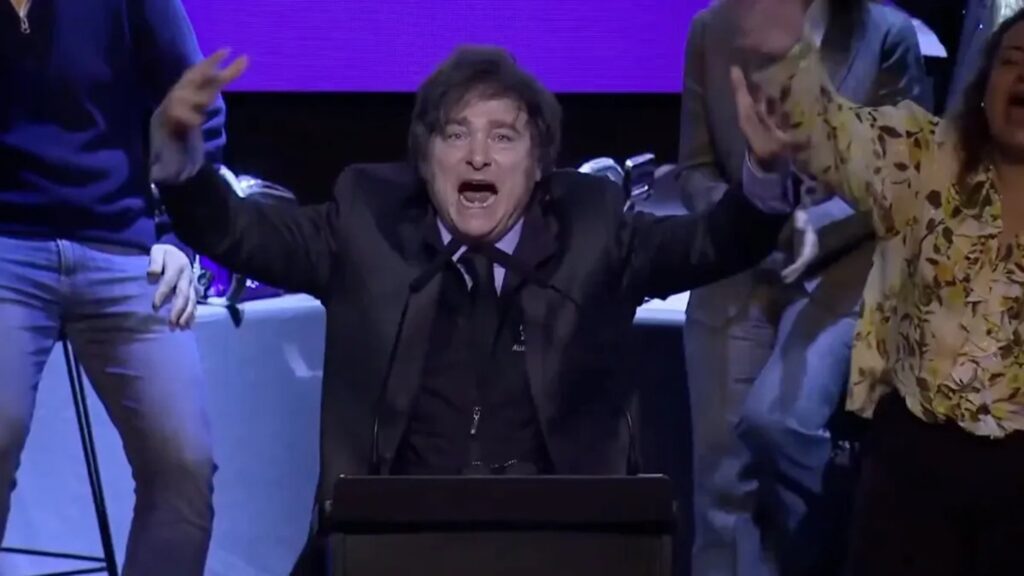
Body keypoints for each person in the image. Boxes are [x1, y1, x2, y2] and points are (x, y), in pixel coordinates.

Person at [152, 45, 795, 573]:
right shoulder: (365, 223)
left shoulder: (594, 229)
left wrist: (765, 174)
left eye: (502, 137)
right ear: (425, 158)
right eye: (455, 134)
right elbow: (238, 231)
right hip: (390, 545)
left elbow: (713, 242)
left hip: (566, 546)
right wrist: (182, 162)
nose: (477, 155)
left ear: (538, 165)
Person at [727, 2, 1024, 574]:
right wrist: (784, 53)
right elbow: (828, 129)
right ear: (985, 83)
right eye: (1011, 60)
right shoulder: (925, 156)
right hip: (915, 468)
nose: (1023, 74)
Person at [678, 1, 929, 574]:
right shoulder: (711, 29)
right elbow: (694, 168)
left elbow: (906, 171)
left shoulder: (885, 35)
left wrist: (811, 228)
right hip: (737, 269)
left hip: (841, 268)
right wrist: (747, 220)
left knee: (778, 425)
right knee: (722, 483)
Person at [0, 1, 226, 574]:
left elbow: (196, 104)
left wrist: (177, 230)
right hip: (6, 248)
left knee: (184, 462)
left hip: (122, 247)